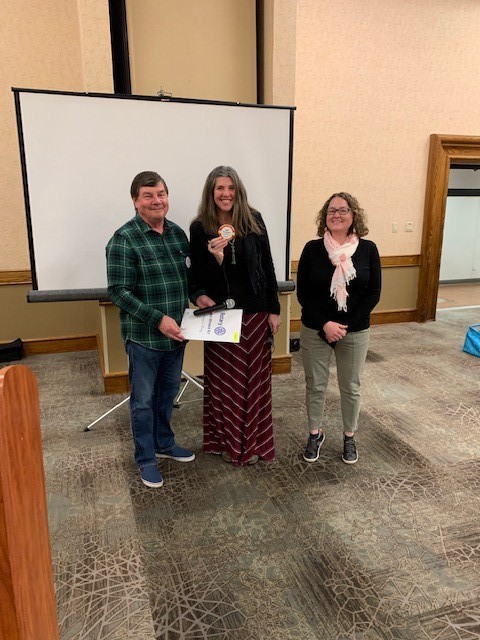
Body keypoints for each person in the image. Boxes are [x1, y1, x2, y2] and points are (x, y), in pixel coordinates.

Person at [106, 171, 195, 488]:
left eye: (161, 194)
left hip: (177, 337)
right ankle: (145, 459)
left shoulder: (178, 234)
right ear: (135, 201)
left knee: (167, 395)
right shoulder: (124, 239)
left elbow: (188, 280)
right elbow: (118, 291)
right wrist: (158, 319)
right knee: (143, 402)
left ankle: (164, 444)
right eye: (148, 195)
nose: (156, 201)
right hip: (144, 338)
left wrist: (201, 297)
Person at [189, 166, 281, 466]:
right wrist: (216, 259)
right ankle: (223, 442)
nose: (226, 194)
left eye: (230, 188)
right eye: (219, 188)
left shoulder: (254, 220)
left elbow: (267, 266)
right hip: (221, 316)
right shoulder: (200, 227)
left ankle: (253, 443)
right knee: (223, 383)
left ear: (238, 190)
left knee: (253, 384)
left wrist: (274, 309)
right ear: (211, 192)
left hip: (254, 313)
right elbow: (196, 278)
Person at [297, 192, 381, 465]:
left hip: (354, 330)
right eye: (331, 211)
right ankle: (315, 433)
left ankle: (349, 436)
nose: (337, 215)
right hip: (316, 328)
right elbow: (304, 294)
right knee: (315, 385)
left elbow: (373, 293)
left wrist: (344, 326)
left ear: (353, 215)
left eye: (343, 210)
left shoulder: (368, 249)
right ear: (325, 217)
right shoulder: (312, 249)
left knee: (351, 386)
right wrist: (326, 324)